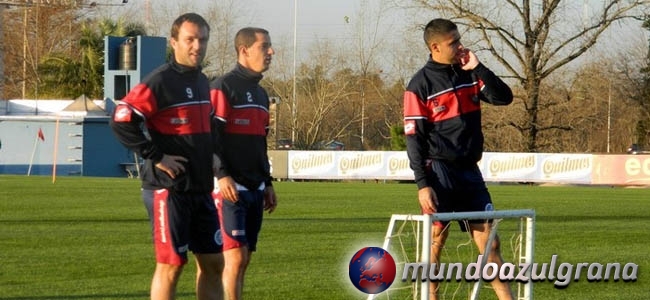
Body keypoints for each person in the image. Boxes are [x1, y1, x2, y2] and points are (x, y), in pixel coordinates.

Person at [110, 13, 223, 300]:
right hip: (168, 190)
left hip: (200, 188)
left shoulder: (201, 81)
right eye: (190, 39)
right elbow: (121, 118)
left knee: (213, 263)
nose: (197, 46)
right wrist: (156, 155)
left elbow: (202, 127)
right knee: (171, 266)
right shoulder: (159, 81)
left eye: (203, 39)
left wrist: (210, 156)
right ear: (174, 42)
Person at [403, 18, 514, 300]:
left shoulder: (469, 73)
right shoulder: (419, 85)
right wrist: (422, 184)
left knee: (490, 242)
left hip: (470, 173)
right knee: (436, 243)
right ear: (436, 47)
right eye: (453, 42)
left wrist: (478, 67)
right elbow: (414, 138)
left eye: (459, 39)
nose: (460, 45)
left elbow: (504, 98)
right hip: (439, 172)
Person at [209, 27, 278, 300]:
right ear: (244, 50)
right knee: (234, 258)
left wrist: (268, 182)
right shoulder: (223, 87)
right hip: (229, 187)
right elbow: (211, 138)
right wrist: (222, 175)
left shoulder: (261, 95)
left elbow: (260, 143)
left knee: (244, 258)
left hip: (254, 186)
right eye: (265, 47)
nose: (271, 52)